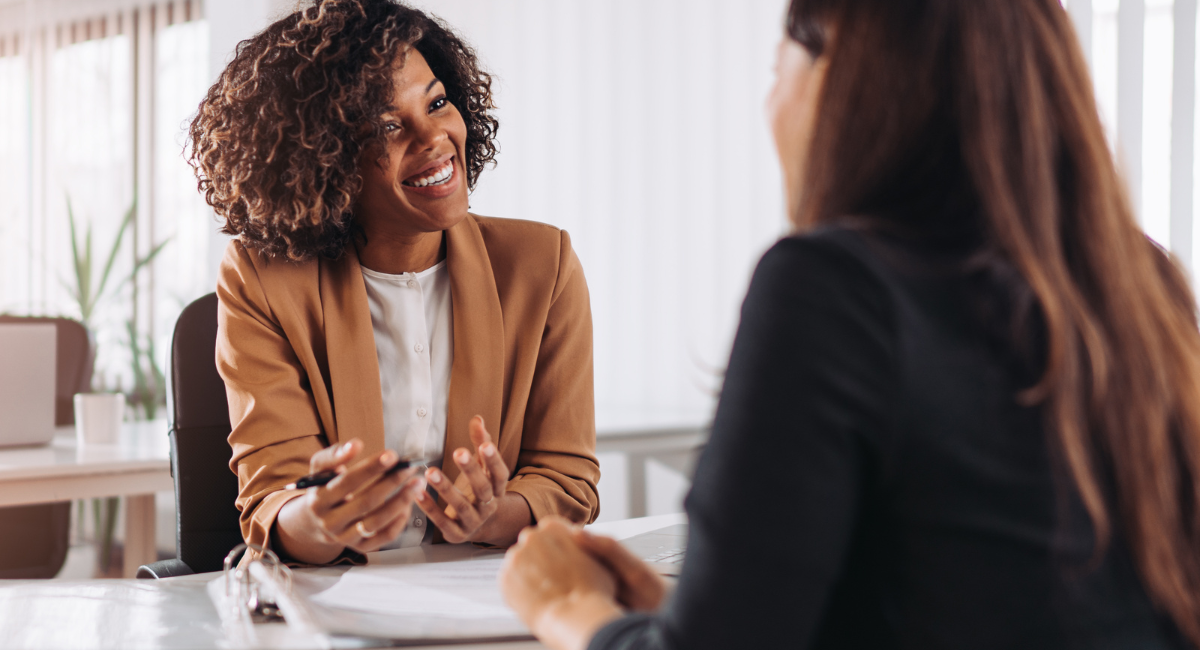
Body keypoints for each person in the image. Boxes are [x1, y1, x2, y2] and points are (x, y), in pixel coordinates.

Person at [499, 0, 1200, 648]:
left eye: (779, 71)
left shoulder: (832, 288)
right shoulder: (1144, 285)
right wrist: (685, 610)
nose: (770, 103)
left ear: (840, 78)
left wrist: (566, 607)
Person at [189, 0, 599, 566]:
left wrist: (491, 514)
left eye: (436, 103)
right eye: (386, 124)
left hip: (488, 603)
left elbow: (567, 477)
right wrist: (325, 517)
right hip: (337, 605)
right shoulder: (263, 279)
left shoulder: (541, 264)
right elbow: (272, 499)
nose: (432, 137)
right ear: (322, 158)